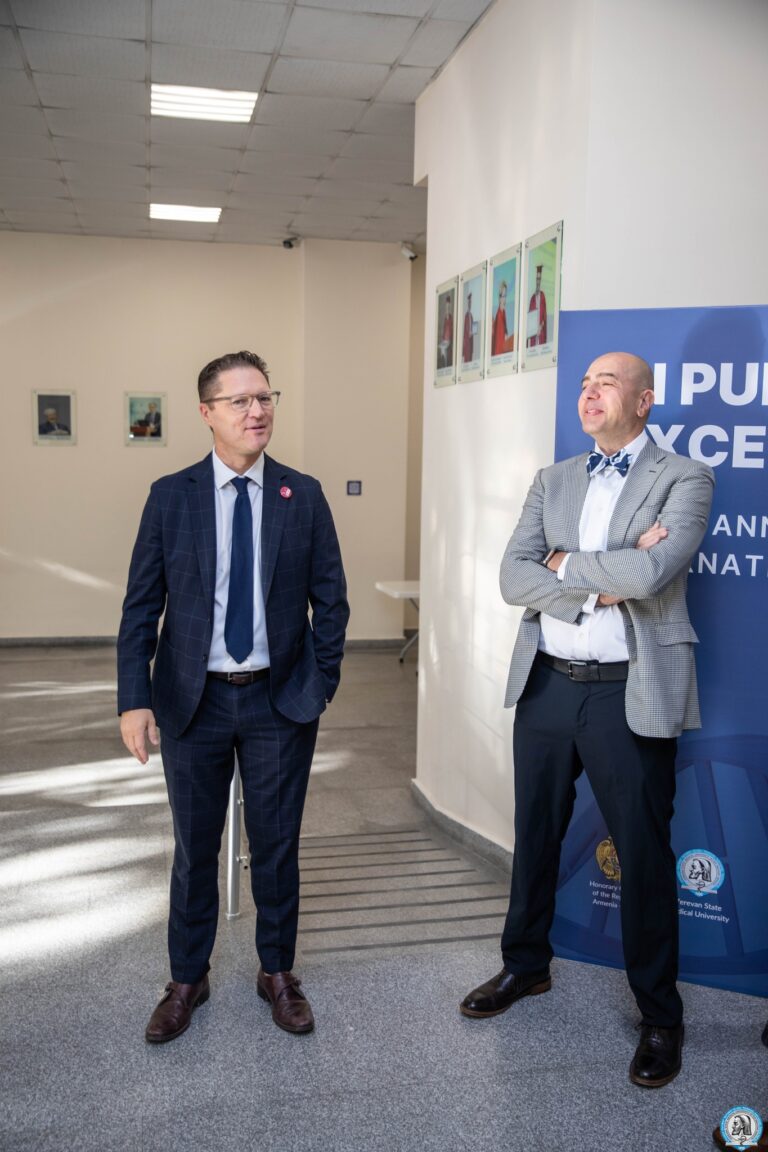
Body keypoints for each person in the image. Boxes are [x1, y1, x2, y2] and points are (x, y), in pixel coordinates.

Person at [460, 352, 714, 1089]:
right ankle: (525, 966)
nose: (589, 393)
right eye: (584, 384)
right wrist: (600, 576)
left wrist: (564, 563)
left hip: (627, 689)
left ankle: (660, 1016)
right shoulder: (555, 478)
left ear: (644, 400)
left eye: (606, 383)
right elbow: (513, 577)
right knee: (535, 831)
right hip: (547, 681)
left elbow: (651, 574)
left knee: (643, 851)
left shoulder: (685, 477)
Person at [118, 350, 349, 1045]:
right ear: (207, 413)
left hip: (280, 701)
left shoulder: (302, 495)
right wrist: (134, 699)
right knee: (195, 847)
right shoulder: (172, 496)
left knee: (277, 845)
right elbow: (141, 607)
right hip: (194, 701)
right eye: (241, 401)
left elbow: (331, 601)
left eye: (265, 398)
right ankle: (187, 979)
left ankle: (277, 973)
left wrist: (319, 682)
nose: (258, 411)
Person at [526, 264, 547, 347]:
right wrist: (534, 329)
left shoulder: (542, 296)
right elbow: (530, 318)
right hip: (534, 333)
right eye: (537, 279)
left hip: (541, 331)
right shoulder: (532, 298)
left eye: (539, 279)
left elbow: (544, 315)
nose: (538, 281)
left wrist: (540, 327)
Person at [491, 281, 509, 356]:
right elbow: (498, 346)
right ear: (499, 298)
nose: (504, 299)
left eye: (505, 296)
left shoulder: (503, 312)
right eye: (503, 296)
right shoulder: (499, 316)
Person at [439, 295, 454, 368]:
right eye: (446, 307)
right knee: (442, 350)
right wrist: (443, 338)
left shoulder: (450, 318)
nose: (447, 309)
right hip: (445, 340)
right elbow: (445, 329)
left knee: (445, 352)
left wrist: (449, 340)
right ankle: (443, 365)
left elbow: (450, 330)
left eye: (448, 307)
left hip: (448, 340)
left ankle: (445, 365)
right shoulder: (446, 318)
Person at [463, 292, 474, 363]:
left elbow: (472, 327)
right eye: (469, 302)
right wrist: (469, 333)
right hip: (467, 340)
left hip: (471, 340)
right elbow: (466, 328)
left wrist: (473, 331)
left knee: (470, 357)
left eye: (471, 302)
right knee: (467, 357)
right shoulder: (466, 316)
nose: (470, 304)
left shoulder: (471, 316)